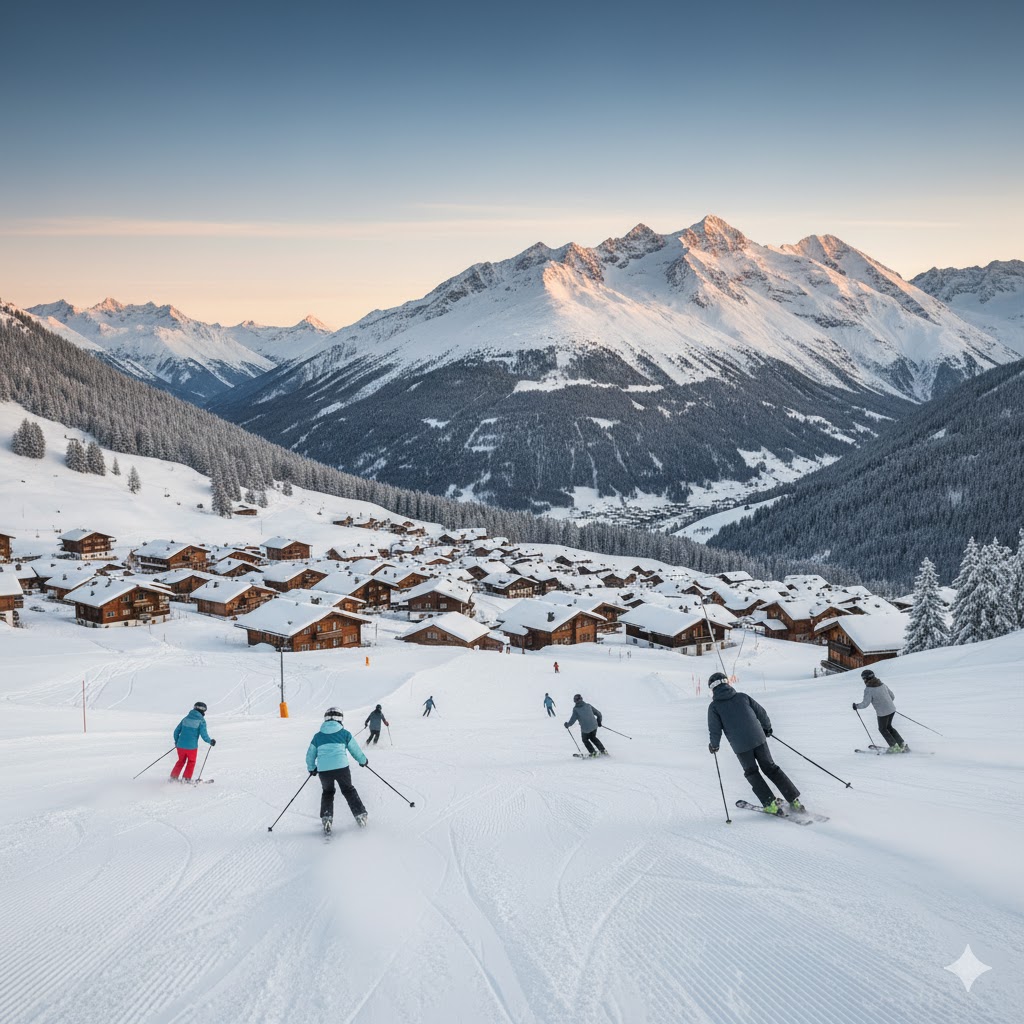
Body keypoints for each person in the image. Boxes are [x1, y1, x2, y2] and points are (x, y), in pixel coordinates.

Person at [706, 672, 803, 814]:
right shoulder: (742, 697)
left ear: (713, 689)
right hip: (759, 739)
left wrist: (714, 745)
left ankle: (770, 804)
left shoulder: (714, 707)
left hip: (741, 747)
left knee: (752, 772)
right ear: (727, 683)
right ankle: (794, 801)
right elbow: (761, 713)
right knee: (771, 768)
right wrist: (767, 728)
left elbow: (715, 730)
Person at [306, 707, 368, 831]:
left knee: (327, 792)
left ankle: (327, 817)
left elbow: (310, 755)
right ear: (340, 719)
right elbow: (355, 750)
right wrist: (363, 761)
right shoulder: (345, 733)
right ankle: (360, 815)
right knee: (348, 790)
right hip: (341, 768)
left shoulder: (317, 736)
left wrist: (312, 768)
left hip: (324, 771)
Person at [853, 669, 909, 753]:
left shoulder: (869, 689)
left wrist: (856, 706)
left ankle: (894, 747)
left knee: (883, 729)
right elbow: (892, 696)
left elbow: (865, 704)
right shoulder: (882, 684)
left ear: (867, 678)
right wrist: (886, 704)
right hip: (892, 709)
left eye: (863, 678)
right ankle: (902, 744)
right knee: (889, 727)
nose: (863, 680)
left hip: (883, 713)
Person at [170, 701, 216, 782]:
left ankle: (173, 778)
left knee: (180, 761)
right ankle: (186, 779)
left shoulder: (185, 718)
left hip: (180, 746)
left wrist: (177, 742)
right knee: (191, 762)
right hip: (191, 747)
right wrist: (210, 741)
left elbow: (176, 731)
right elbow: (204, 735)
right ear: (203, 710)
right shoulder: (201, 721)